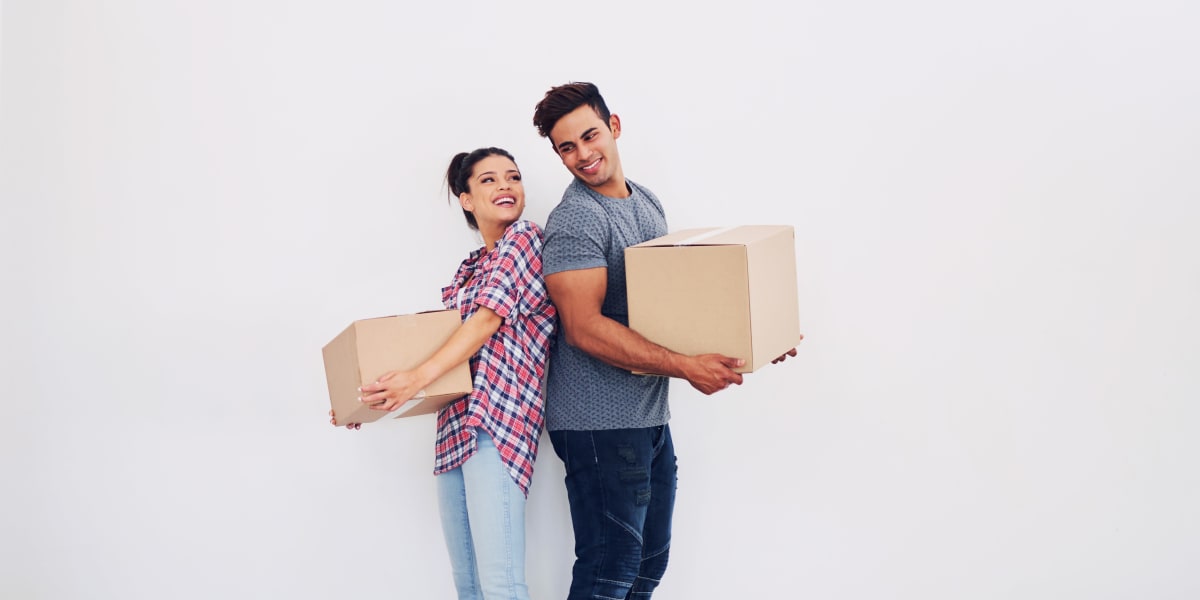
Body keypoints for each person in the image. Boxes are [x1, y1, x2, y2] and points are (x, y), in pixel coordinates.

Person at [532, 82, 799, 599]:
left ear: (614, 126)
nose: (583, 155)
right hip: (598, 422)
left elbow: (670, 304)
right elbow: (583, 327)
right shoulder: (577, 220)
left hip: (647, 415)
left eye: (590, 136)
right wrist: (686, 366)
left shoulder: (645, 200)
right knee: (610, 568)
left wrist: (757, 336)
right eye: (567, 147)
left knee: (647, 566)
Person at [329, 147, 556, 600]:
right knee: (468, 586)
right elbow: (439, 351)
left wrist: (413, 380)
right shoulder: (470, 268)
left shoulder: (526, 239)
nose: (506, 186)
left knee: (500, 585)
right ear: (466, 199)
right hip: (454, 427)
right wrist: (368, 401)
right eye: (489, 180)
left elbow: (487, 320)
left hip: (498, 424)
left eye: (513, 177)